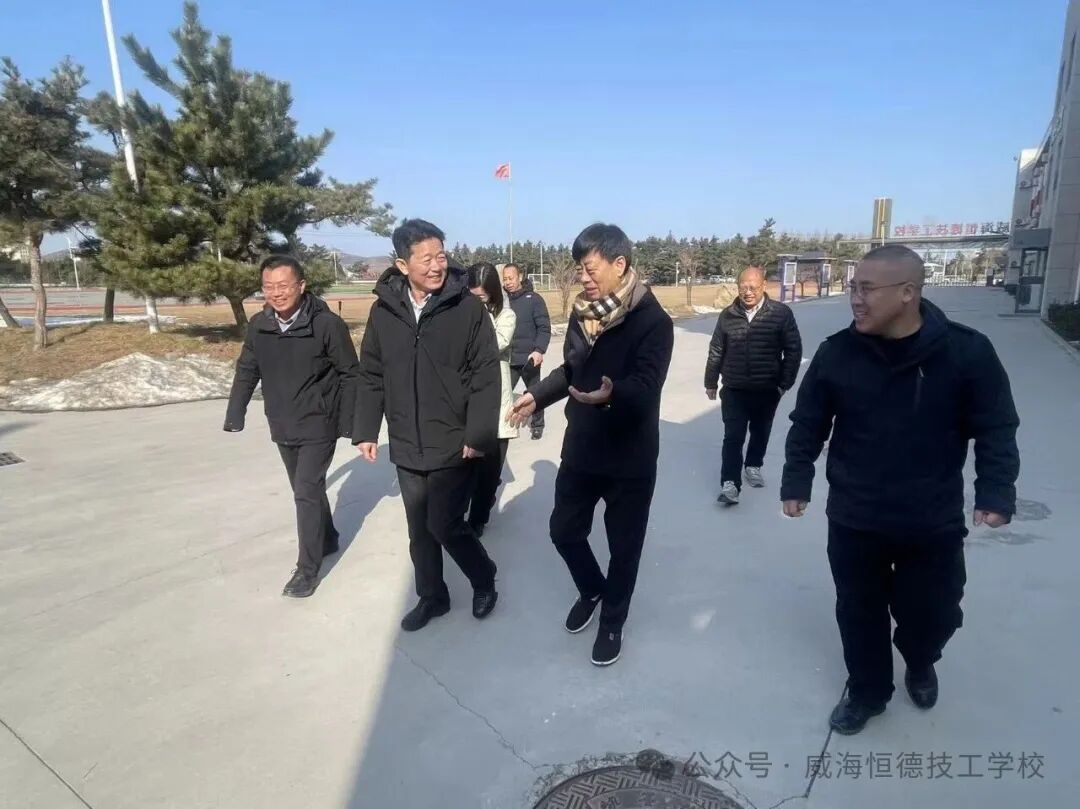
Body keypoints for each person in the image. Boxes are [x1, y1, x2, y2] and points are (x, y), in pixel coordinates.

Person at [781, 244, 1020, 735]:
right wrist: (796, 480)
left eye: (867, 289)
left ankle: (920, 658)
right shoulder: (837, 353)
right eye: (854, 287)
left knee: (935, 613)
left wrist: (996, 491)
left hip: (931, 518)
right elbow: (808, 422)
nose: (856, 299)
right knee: (859, 611)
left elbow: (996, 426)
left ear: (908, 292)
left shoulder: (966, 352)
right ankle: (867, 692)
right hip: (856, 515)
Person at [510, 223, 674, 666]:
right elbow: (571, 370)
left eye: (589, 268)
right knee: (563, 531)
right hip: (581, 449)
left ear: (619, 265)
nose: (582, 278)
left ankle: (613, 621)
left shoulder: (653, 321)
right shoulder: (584, 314)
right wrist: (536, 396)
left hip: (629, 456)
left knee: (624, 548)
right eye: (579, 269)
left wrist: (613, 393)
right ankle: (591, 588)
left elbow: (648, 383)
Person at [353, 219, 501, 632]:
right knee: (419, 530)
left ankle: (484, 577)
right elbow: (372, 373)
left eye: (441, 256)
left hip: (453, 438)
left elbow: (486, 376)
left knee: (445, 524)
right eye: (426, 259)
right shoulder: (384, 311)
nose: (437, 266)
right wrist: (366, 429)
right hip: (405, 438)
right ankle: (433, 597)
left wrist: (478, 434)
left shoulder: (466, 308)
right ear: (403, 265)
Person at [224, 255, 361, 598]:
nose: (276, 293)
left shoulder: (326, 325)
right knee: (307, 489)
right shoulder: (260, 325)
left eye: (283, 286)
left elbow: (350, 373)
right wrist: (235, 412)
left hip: (319, 421)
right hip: (282, 421)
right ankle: (327, 538)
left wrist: (348, 422)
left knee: (305, 492)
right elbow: (247, 369)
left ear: (301, 286)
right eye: (268, 287)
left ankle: (306, 570)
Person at [704, 267, 802, 504]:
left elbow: (793, 350)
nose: (748, 292)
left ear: (764, 285)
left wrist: (784, 384)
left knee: (760, 431)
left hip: (767, 388)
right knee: (733, 436)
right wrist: (710, 381)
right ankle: (730, 483)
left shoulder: (781, 314)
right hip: (734, 388)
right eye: (743, 287)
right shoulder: (727, 315)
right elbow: (716, 349)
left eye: (753, 287)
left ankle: (753, 465)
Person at [466, 262, 518, 537]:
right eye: (472, 297)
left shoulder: (506, 316)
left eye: (482, 297)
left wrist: (479, 316)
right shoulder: (461, 315)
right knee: (467, 467)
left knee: (489, 471)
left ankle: (478, 518)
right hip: (470, 399)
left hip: (498, 401)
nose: (477, 302)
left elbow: (494, 345)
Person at [503, 263, 551, 440]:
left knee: (535, 393)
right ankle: (503, 424)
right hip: (509, 358)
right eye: (505, 279)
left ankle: (537, 425)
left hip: (530, 358)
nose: (508, 282)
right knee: (503, 394)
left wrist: (539, 350)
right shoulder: (502, 300)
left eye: (511, 278)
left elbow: (544, 327)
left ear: (520, 277)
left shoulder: (534, 299)